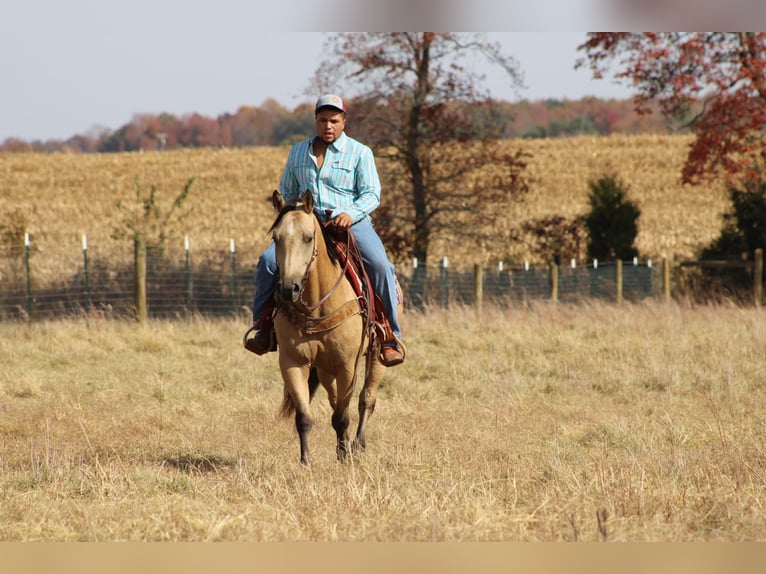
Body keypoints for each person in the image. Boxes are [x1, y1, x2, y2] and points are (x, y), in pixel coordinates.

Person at [248, 94, 405, 366]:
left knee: (380, 265)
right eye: (322, 120)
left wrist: (351, 213)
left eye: (334, 120)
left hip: (350, 224)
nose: (328, 126)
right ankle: (263, 328)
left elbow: (371, 194)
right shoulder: (298, 151)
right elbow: (287, 189)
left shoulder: (360, 153)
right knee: (268, 262)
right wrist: (295, 213)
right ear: (316, 121)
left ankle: (389, 335)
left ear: (344, 122)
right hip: (307, 225)